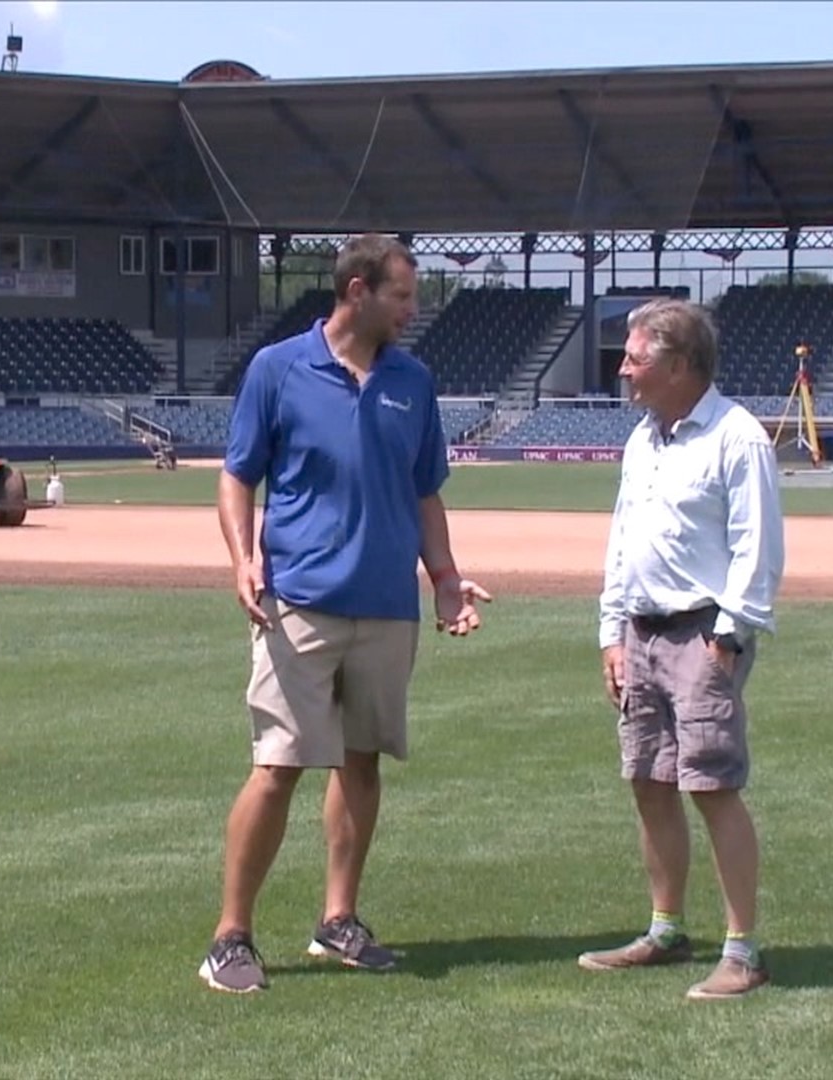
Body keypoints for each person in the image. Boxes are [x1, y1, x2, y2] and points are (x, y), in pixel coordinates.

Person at [200, 233, 493, 995]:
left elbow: (426, 491)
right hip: (298, 599)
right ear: (357, 289)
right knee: (277, 768)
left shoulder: (413, 381)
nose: (412, 311)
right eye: (401, 296)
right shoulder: (278, 369)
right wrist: (243, 558)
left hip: (387, 606)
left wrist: (447, 577)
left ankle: (340, 920)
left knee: (361, 763)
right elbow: (238, 477)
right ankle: (230, 936)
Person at [582, 297, 785, 1001]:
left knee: (711, 785)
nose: (624, 368)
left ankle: (743, 949)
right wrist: (612, 631)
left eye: (635, 356)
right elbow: (623, 539)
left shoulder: (737, 437)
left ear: (679, 362)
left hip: (703, 634)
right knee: (649, 781)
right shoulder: (644, 438)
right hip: (640, 633)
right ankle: (665, 929)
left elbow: (757, 548)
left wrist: (728, 639)